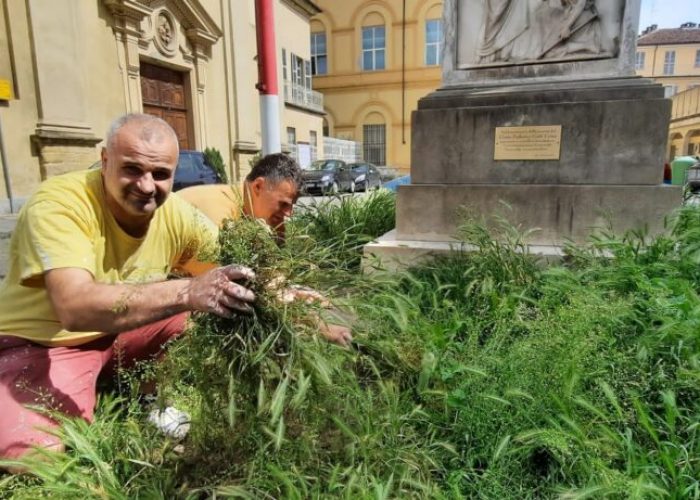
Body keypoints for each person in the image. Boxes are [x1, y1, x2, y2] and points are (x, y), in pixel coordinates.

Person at [0, 114, 257, 465]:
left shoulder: (176, 215)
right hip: (46, 341)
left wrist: (303, 304)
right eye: (132, 169)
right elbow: (74, 308)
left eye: (161, 174)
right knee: (33, 456)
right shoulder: (60, 203)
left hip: (117, 331)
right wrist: (187, 290)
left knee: (200, 309)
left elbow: (233, 268)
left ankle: (148, 399)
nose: (147, 186)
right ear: (105, 161)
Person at [177, 154, 353, 346]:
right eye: (283, 204)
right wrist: (315, 324)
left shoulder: (255, 210)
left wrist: (291, 290)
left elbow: (272, 269)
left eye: (292, 206)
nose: (289, 213)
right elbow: (242, 286)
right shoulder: (218, 212)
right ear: (258, 187)